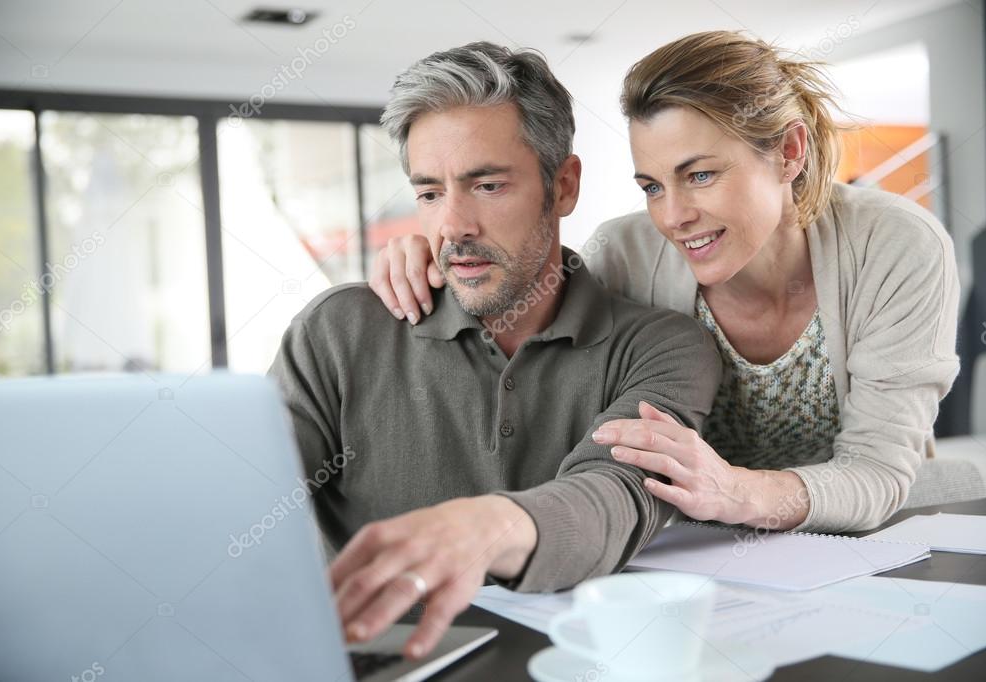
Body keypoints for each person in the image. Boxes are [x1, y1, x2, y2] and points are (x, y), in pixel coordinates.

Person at [368, 30, 961, 534]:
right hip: (691, 549)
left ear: (788, 151)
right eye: (651, 185)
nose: (673, 216)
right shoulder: (623, 253)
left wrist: (739, 493)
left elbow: (878, 471)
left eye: (699, 175)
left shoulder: (895, 247)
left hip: (858, 537)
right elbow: (528, 319)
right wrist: (445, 257)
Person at [268, 42, 720, 660]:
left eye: (486, 185)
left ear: (563, 187)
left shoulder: (663, 347)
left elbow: (618, 496)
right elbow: (242, 498)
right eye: (429, 193)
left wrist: (483, 527)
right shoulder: (339, 332)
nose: (453, 226)